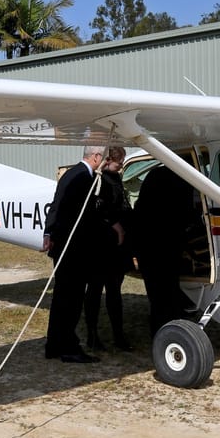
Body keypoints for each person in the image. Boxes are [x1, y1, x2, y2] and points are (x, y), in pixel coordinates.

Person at [41, 145, 108, 363]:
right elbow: (83, 216)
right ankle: (69, 348)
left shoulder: (71, 173)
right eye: (104, 158)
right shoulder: (83, 178)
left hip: (65, 247)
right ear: (96, 157)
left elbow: (56, 206)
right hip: (73, 251)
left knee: (61, 299)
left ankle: (54, 345)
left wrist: (48, 231)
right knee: (71, 300)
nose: (105, 162)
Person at [133, 162, 197, 336]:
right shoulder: (184, 179)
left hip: (148, 243)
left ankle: (160, 331)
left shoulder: (154, 175)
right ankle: (172, 329)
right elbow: (187, 213)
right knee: (169, 289)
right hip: (169, 243)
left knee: (156, 293)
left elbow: (139, 209)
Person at [83, 146, 134, 352]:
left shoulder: (115, 178)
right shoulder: (99, 179)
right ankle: (92, 335)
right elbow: (97, 209)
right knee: (95, 290)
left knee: (114, 290)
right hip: (101, 244)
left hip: (115, 247)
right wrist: (118, 227)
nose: (122, 164)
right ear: (108, 160)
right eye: (119, 160)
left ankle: (118, 335)